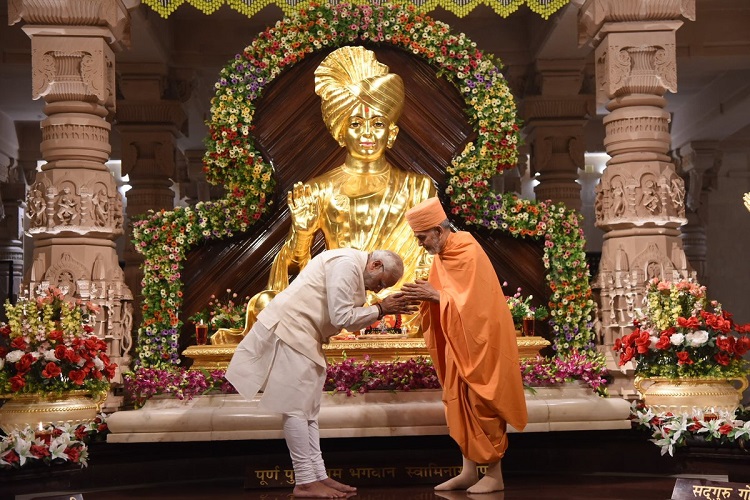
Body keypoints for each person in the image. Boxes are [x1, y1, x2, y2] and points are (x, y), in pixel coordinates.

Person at [264, 45, 436, 334]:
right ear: (340, 133)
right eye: (356, 123)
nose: (368, 132)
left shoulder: (418, 186)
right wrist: (302, 233)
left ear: (391, 134)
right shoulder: (318, 190)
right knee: (268, 303)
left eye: (378, 123)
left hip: (403, 304)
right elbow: (296, 274)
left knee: (436, 304)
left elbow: (431, 254)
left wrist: (406, 294)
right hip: (339, 301)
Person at [225, 248, 415, 498]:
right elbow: (343, 316)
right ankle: (304, 481)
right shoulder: (346, 264)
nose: (378, 291)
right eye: (380, 283)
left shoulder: (353, 265)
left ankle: (317, 475)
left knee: (309, 411)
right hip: (292, 329)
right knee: (295, 408)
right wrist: (381, 309)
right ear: (375, 264)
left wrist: (381, 308)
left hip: (305, 335)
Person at [400, 197, 527, 494]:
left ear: (438, 231)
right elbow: (444, 297)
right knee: (457, 404)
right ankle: (469, 471)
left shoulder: (467, 250)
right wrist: (425, 299)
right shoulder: (442, 256)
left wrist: (437, 297)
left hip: (481, 344)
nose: (420, 244)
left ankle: (495, 475)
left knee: (482, 403)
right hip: (457, 343)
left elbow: (477, 307)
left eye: (422, 237)